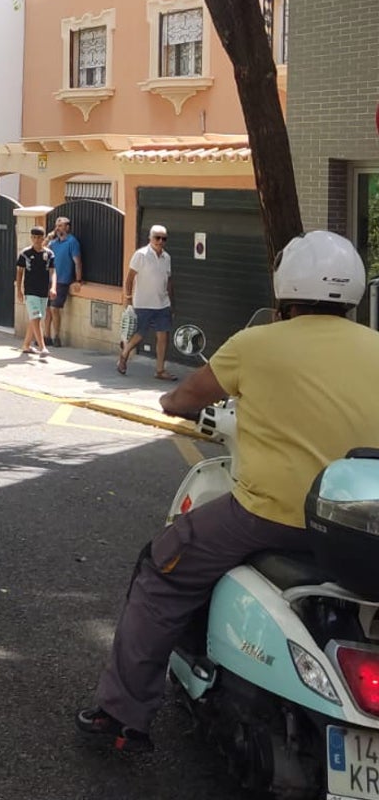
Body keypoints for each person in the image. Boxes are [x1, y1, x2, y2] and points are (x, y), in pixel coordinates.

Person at [76, 230, 379, 754]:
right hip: (360, 523)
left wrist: (172, 400)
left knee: (162, 570)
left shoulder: (256, 344)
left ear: (287, 287)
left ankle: (121, 714)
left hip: (270, 514)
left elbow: (185, 397)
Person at [117, 225, 176, 381]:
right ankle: (124, 354)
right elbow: (129, 278)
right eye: (157, 237)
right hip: (143, 303)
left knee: (163, 337)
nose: (160, 241)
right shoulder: (140, 255)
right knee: (139, 335)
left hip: (162, 303)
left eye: (164, 238)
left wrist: (171, 303)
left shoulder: (167, 257)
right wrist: (128, 298)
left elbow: (168, 281)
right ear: (150, 238)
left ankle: (160, 370)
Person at [15, 226, 56, 356]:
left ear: (43, 238)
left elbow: (53, 272)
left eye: (39, 237)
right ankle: (42, 347)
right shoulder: (25, 254)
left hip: (43, 291)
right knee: (36, 316)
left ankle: (26, 345)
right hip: (30, 291)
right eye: (34, 237)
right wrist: (19, 291)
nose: (37, 240)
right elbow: (20, 272)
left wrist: (53, 287)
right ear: (31, 238)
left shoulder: (49, 254)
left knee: (36, 319)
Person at [44, 216, 83, 347]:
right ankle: (46, 336)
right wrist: (49, 237)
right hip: (50, 279)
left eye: (61, 225)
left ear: (67, 227)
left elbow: (77, 262)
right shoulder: (54, 243)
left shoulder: (72, 242)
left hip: (62, 280)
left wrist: (78, 280)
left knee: (55, 308)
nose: (58, 228)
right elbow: (41, 248)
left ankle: (57, 337)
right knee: (48, 309)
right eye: (57, 225)